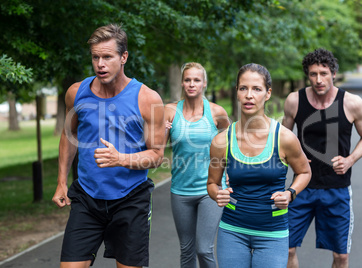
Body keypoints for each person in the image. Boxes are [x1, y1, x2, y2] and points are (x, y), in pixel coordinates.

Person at [51, 24, 165, 268]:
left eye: (107, 57)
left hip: (131, 199)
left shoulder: (147, 98)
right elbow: (68, 136)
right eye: (95, 57)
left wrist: (121, 159)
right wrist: (61, 181)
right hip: (87, 197)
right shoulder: (76, 92)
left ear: (123, 57)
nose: (100, 64)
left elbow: (156, 155)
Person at [207, 63, 311, 268]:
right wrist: (217, 194)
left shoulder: (284, 138)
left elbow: (305, 172)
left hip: (273, 232)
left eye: (256, 89)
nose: (249, 95)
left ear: (268, 93)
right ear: (236, 92)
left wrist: (290, 193)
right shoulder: (221, 141)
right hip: (233, 230)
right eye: (243, 88)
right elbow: (212, 183)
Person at [282, 48, 362, 268]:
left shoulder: (352, 103)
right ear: (307, 75)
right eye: (313, 74)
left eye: (323, 73)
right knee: (286, 247)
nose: (319, 79)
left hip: (337, 189)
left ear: (333, 73)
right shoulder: (295, 100)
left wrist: (350, 160)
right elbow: (282, 140)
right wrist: (295, 157)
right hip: (301, 187)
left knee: (341, 256)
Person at [164, 62, 230, 268]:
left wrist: (227, 174)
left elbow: (230, 144)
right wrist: (161, 130)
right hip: (180, 190)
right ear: (182, 83)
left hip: (209, 189)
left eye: (196, 80)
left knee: (204, 248)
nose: (191, 84)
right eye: (187, 80)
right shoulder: (169, 111)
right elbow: (156, 147)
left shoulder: (217, 112)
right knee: (186, 250)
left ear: (204, 84)